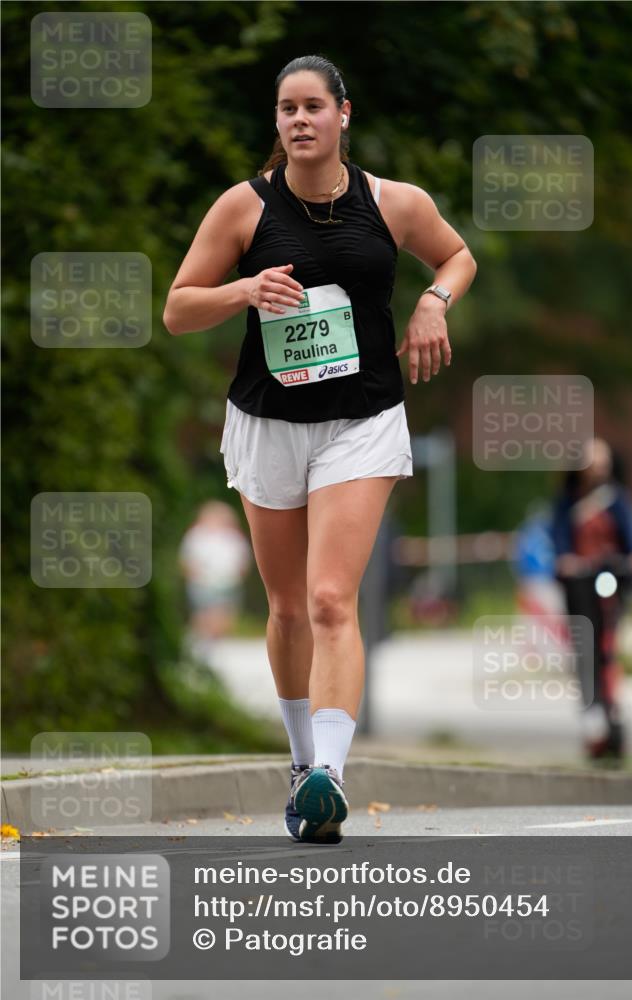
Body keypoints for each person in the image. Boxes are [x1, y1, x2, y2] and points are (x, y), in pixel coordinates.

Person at [163, 54, 477, 843]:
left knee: (332, 599)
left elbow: (457, 255)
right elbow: (177, 309)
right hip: (268, 421)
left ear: (343, 114)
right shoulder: (243, 207)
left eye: (313, 106)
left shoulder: (394, 202)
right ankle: (302, 763)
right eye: (286, 108)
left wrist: (433, 304)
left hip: (361, 421)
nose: (299, 119)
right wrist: (243, 289)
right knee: (286, 607)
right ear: (277, 122)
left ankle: (330, 777)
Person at [551, 438, 632, 761]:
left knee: (608, 646)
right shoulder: (568, 502)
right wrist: (566, 560)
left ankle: (612, 709)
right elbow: (559, 538)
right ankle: (592, 712)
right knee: (586, 651)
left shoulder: (617, 499)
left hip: (610, 582)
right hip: (580, 587)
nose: (598, 471)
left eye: (602, 464)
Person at [179, 501, 252, 656]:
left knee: (223, 616)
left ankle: (213, 645)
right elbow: (187, 560)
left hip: (228, 583)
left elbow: (243, 560)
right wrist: (196, 576)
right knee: (205, 615)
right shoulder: (197, 535)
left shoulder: (233, 537)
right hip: (202, 583)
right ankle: (204, 644)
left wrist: (236, 576)